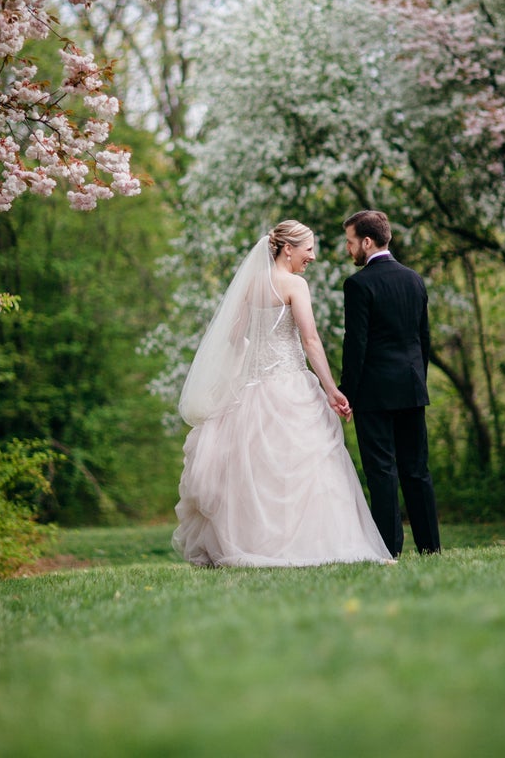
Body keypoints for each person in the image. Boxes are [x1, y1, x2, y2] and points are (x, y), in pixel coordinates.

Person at [172, 220, 393, 567]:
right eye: (308, 248)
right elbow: (310, 341)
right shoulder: (294, 285)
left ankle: (256, 544)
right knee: (306, 468)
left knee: (256, 473)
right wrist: (331, 389)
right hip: (291, 386)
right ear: (287, 249)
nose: (313, 256)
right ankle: (312, 544)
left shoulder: (250, 285)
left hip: (252, 390)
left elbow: (234, 338)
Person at [340, 210, 441, 558]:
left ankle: (389, 551)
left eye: (351, 243)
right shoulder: (414, 280)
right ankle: (431, 548)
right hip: (412, 387)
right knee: (417, 470)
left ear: (367, 242)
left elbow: (356, 344)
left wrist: (346, 393)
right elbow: (423, 340)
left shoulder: (358, 285)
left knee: (382, 471)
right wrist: (418, 380)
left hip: (374, 393)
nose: (349, 250)